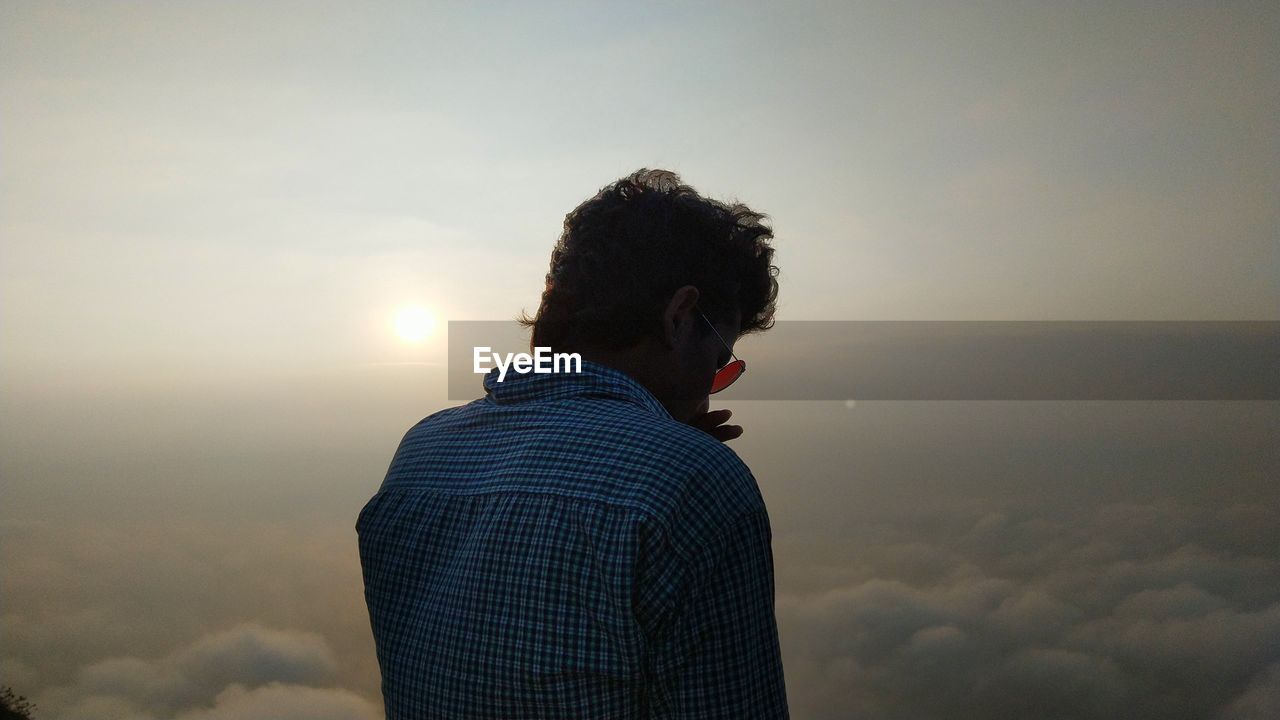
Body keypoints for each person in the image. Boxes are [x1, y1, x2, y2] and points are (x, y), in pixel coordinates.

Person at [356, 169, 788, 718]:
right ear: (680, 317)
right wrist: (675, 462)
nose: (713, 383)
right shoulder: (697, 484)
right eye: (721, 360)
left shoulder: (421, 453)